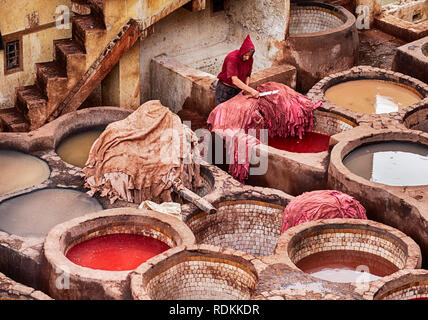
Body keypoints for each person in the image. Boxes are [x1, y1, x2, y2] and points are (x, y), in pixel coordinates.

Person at [214, 34, 259, 106]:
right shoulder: (232, 58)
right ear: (242, 52)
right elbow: (234, 80)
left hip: (238, 89)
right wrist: (251, 90)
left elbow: (248, 75)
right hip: (225, 89)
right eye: (246, 55)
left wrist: (245, 88)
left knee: (234, 112)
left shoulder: (250, 59)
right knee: (221, 111)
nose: (247, 58)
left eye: (249, 56)